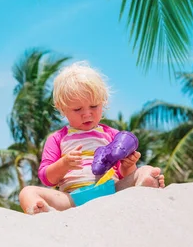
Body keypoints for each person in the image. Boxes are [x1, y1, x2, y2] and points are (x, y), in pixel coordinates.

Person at [19, 62, 165, 214]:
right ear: (62, 108)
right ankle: (42, 210)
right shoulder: (58, 138)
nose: (87, 114)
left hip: (112, 190)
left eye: (94, 106)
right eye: (77, 109)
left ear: (103, 101)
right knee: (27, 192)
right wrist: (64, 164)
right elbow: (47, 178)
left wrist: (128, 165)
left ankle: (145, 184)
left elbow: (124, 174)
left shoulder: (112, 134)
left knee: (145, 169)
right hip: (72, 198)